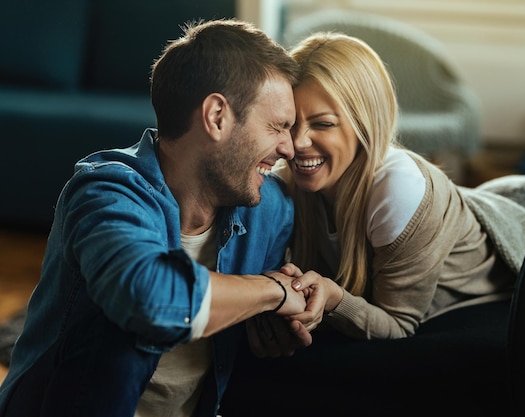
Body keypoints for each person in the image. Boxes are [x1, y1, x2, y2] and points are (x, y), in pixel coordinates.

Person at [219, 32, 525, 416]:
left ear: (365, 124)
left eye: (323, 124)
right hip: (491, 194)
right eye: (291, 124)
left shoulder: (396, 190)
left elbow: (397, 324)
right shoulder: (287, 182)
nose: (297, 143)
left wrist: (335, 299)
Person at [0, 19, 312, 417]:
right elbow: (149, 298)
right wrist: (271, 290)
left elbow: (262, 334)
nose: (289, 146)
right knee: (126, 323)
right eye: (278, 127)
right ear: (217, 116)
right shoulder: (106, 191)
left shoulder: (270, 208)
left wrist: (292, 311)